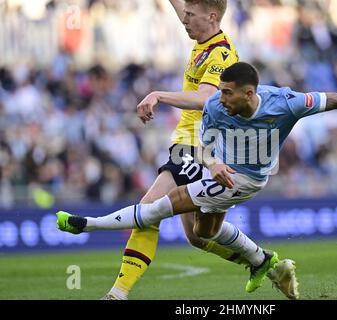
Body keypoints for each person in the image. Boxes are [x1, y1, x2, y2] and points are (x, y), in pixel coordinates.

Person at [57, 61, 337, 298]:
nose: (220, 97)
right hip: (224, 171)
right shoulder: (215, 105)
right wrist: (211, 163)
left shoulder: (286, 103)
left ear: (249, 93)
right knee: (204, 234)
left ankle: (86, 224)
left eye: (228, 92)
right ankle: (264, 262)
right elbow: (208, 143)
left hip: (248, 178)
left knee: (158, 209)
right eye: (220, 90)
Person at [95, 0, 297, 300]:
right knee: (198, 237)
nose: (184, 20)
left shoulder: (221, 55)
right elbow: (185, 8)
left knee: (150, 207)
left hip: (199, 144)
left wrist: (157, 95)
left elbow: (206, 98)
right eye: (185, 14)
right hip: (186, 142)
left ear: (211, 17)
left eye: (190, 15)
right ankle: (262, 261)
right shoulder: (203, 33)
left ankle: (117, 294)